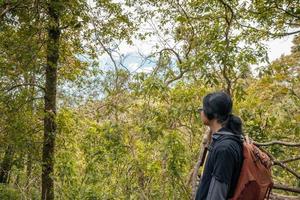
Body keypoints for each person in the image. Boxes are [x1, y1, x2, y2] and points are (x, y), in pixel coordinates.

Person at [195, 91, 244, 200]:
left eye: (202, 108)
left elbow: (217, 194)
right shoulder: (224, 140)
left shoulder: (224, 148)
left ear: (212, 113)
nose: (201, 112)